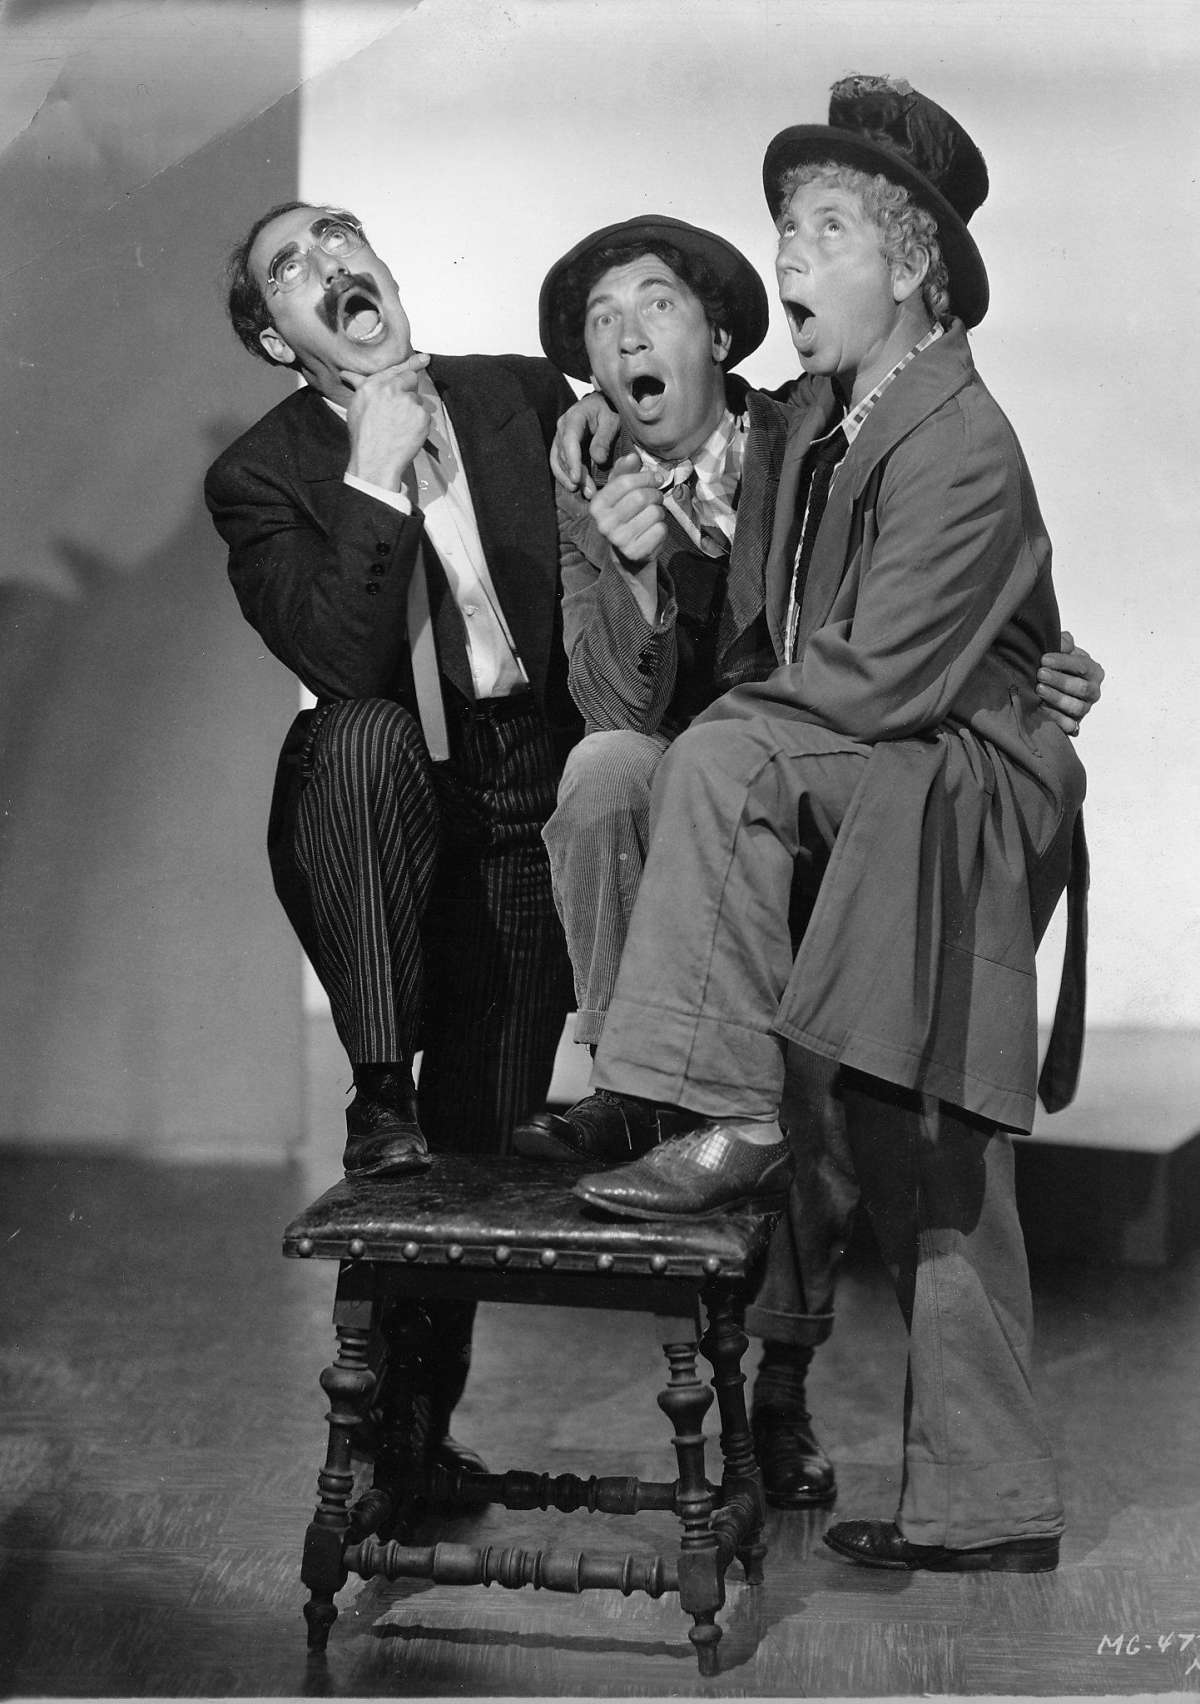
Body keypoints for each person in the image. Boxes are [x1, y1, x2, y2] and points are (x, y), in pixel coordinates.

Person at [558, 76, 1090, 1573]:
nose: (787, 257)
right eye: (785, 229)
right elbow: (706, 422)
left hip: (955, 794)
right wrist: (581, 409)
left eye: (828, 231)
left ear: (913, 269)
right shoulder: (835, 421)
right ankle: (990, 1504)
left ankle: (711, 1105)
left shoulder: (957, 433)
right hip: (889, 779)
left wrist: (738, 742)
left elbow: (876, 678)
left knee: (931, 1133)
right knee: (913, 1138)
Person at [205, 198, 581, 1500]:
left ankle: (408, 1443)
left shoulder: (521, 396)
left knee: (472, 1144)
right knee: (355, 729)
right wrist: (373, 471)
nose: (328, 263)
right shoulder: (261, 475)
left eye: (338, 236)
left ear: (381, 264)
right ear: (279, 340)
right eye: (289, 268)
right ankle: (377, 1087)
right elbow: (338, 657)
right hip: (387, 809)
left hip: (529, 790)